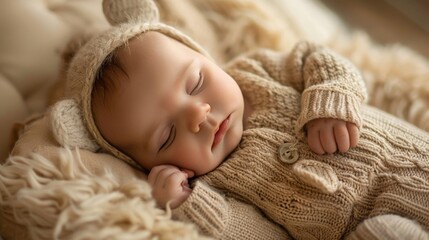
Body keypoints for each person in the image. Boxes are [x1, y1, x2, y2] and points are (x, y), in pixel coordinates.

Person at [51, 0, 429, 239]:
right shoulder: (216, 187)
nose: (198, 115)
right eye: (166, 136)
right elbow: (258, 234)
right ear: (148, 164)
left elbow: (318, 58)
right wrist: (190, 205)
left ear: (204, 57)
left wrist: (330, 99)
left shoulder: (256, 71)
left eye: (196, 82)